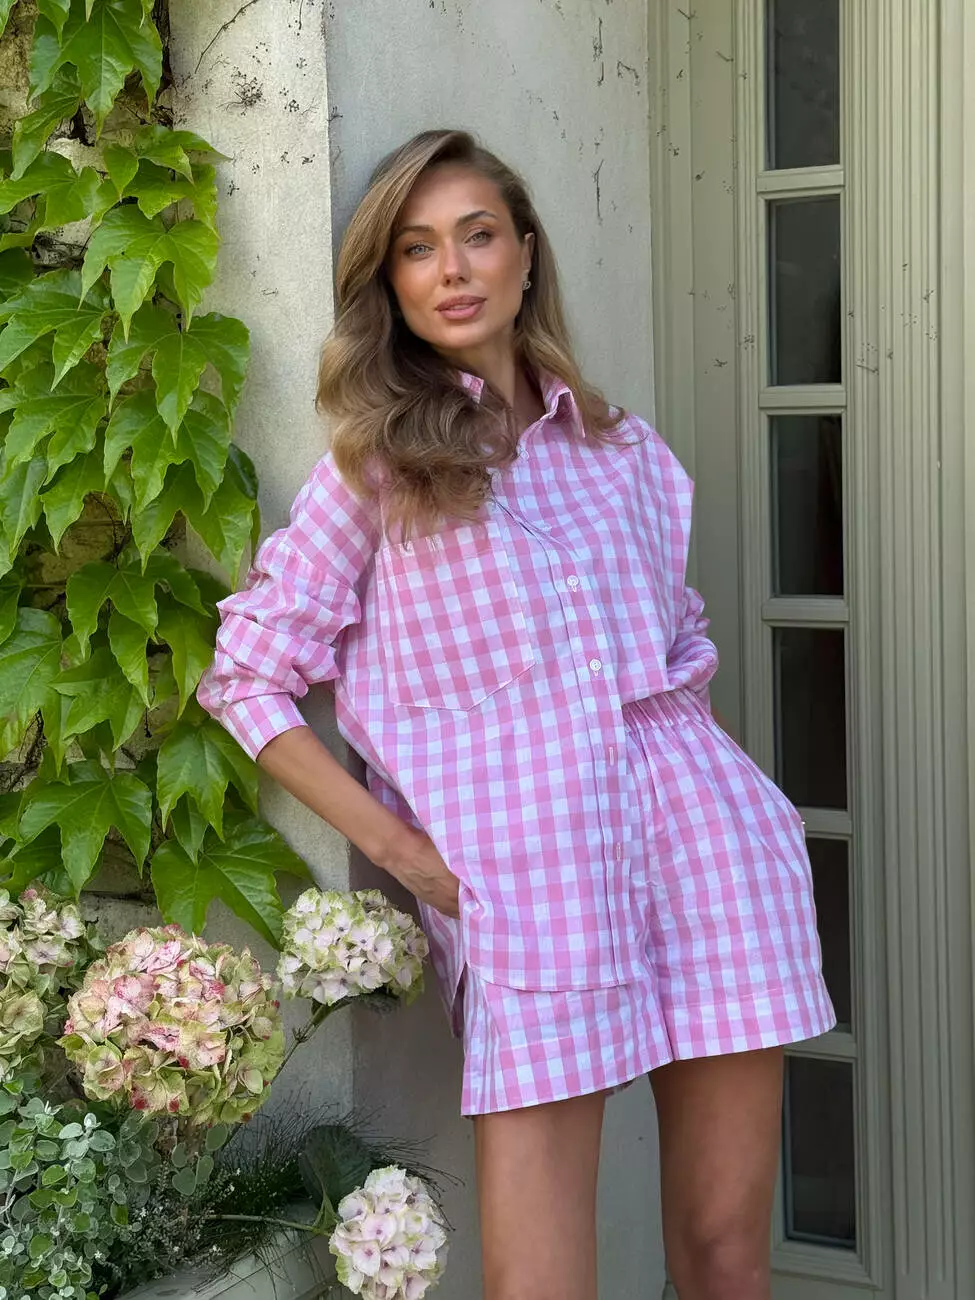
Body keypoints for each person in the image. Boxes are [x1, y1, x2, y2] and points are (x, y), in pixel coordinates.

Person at [197, 128, 835, 1300]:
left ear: (526, 254)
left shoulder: (622, 452)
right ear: (388, 283)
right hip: (529, 890)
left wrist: (722, 793)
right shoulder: (377, 470)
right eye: (416, 248)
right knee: (539, 1282)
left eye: (477, 235)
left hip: (710, 859)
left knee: (724, 1260)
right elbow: (246, 674)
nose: (452, 269)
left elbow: (679, 646)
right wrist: (404, 852)